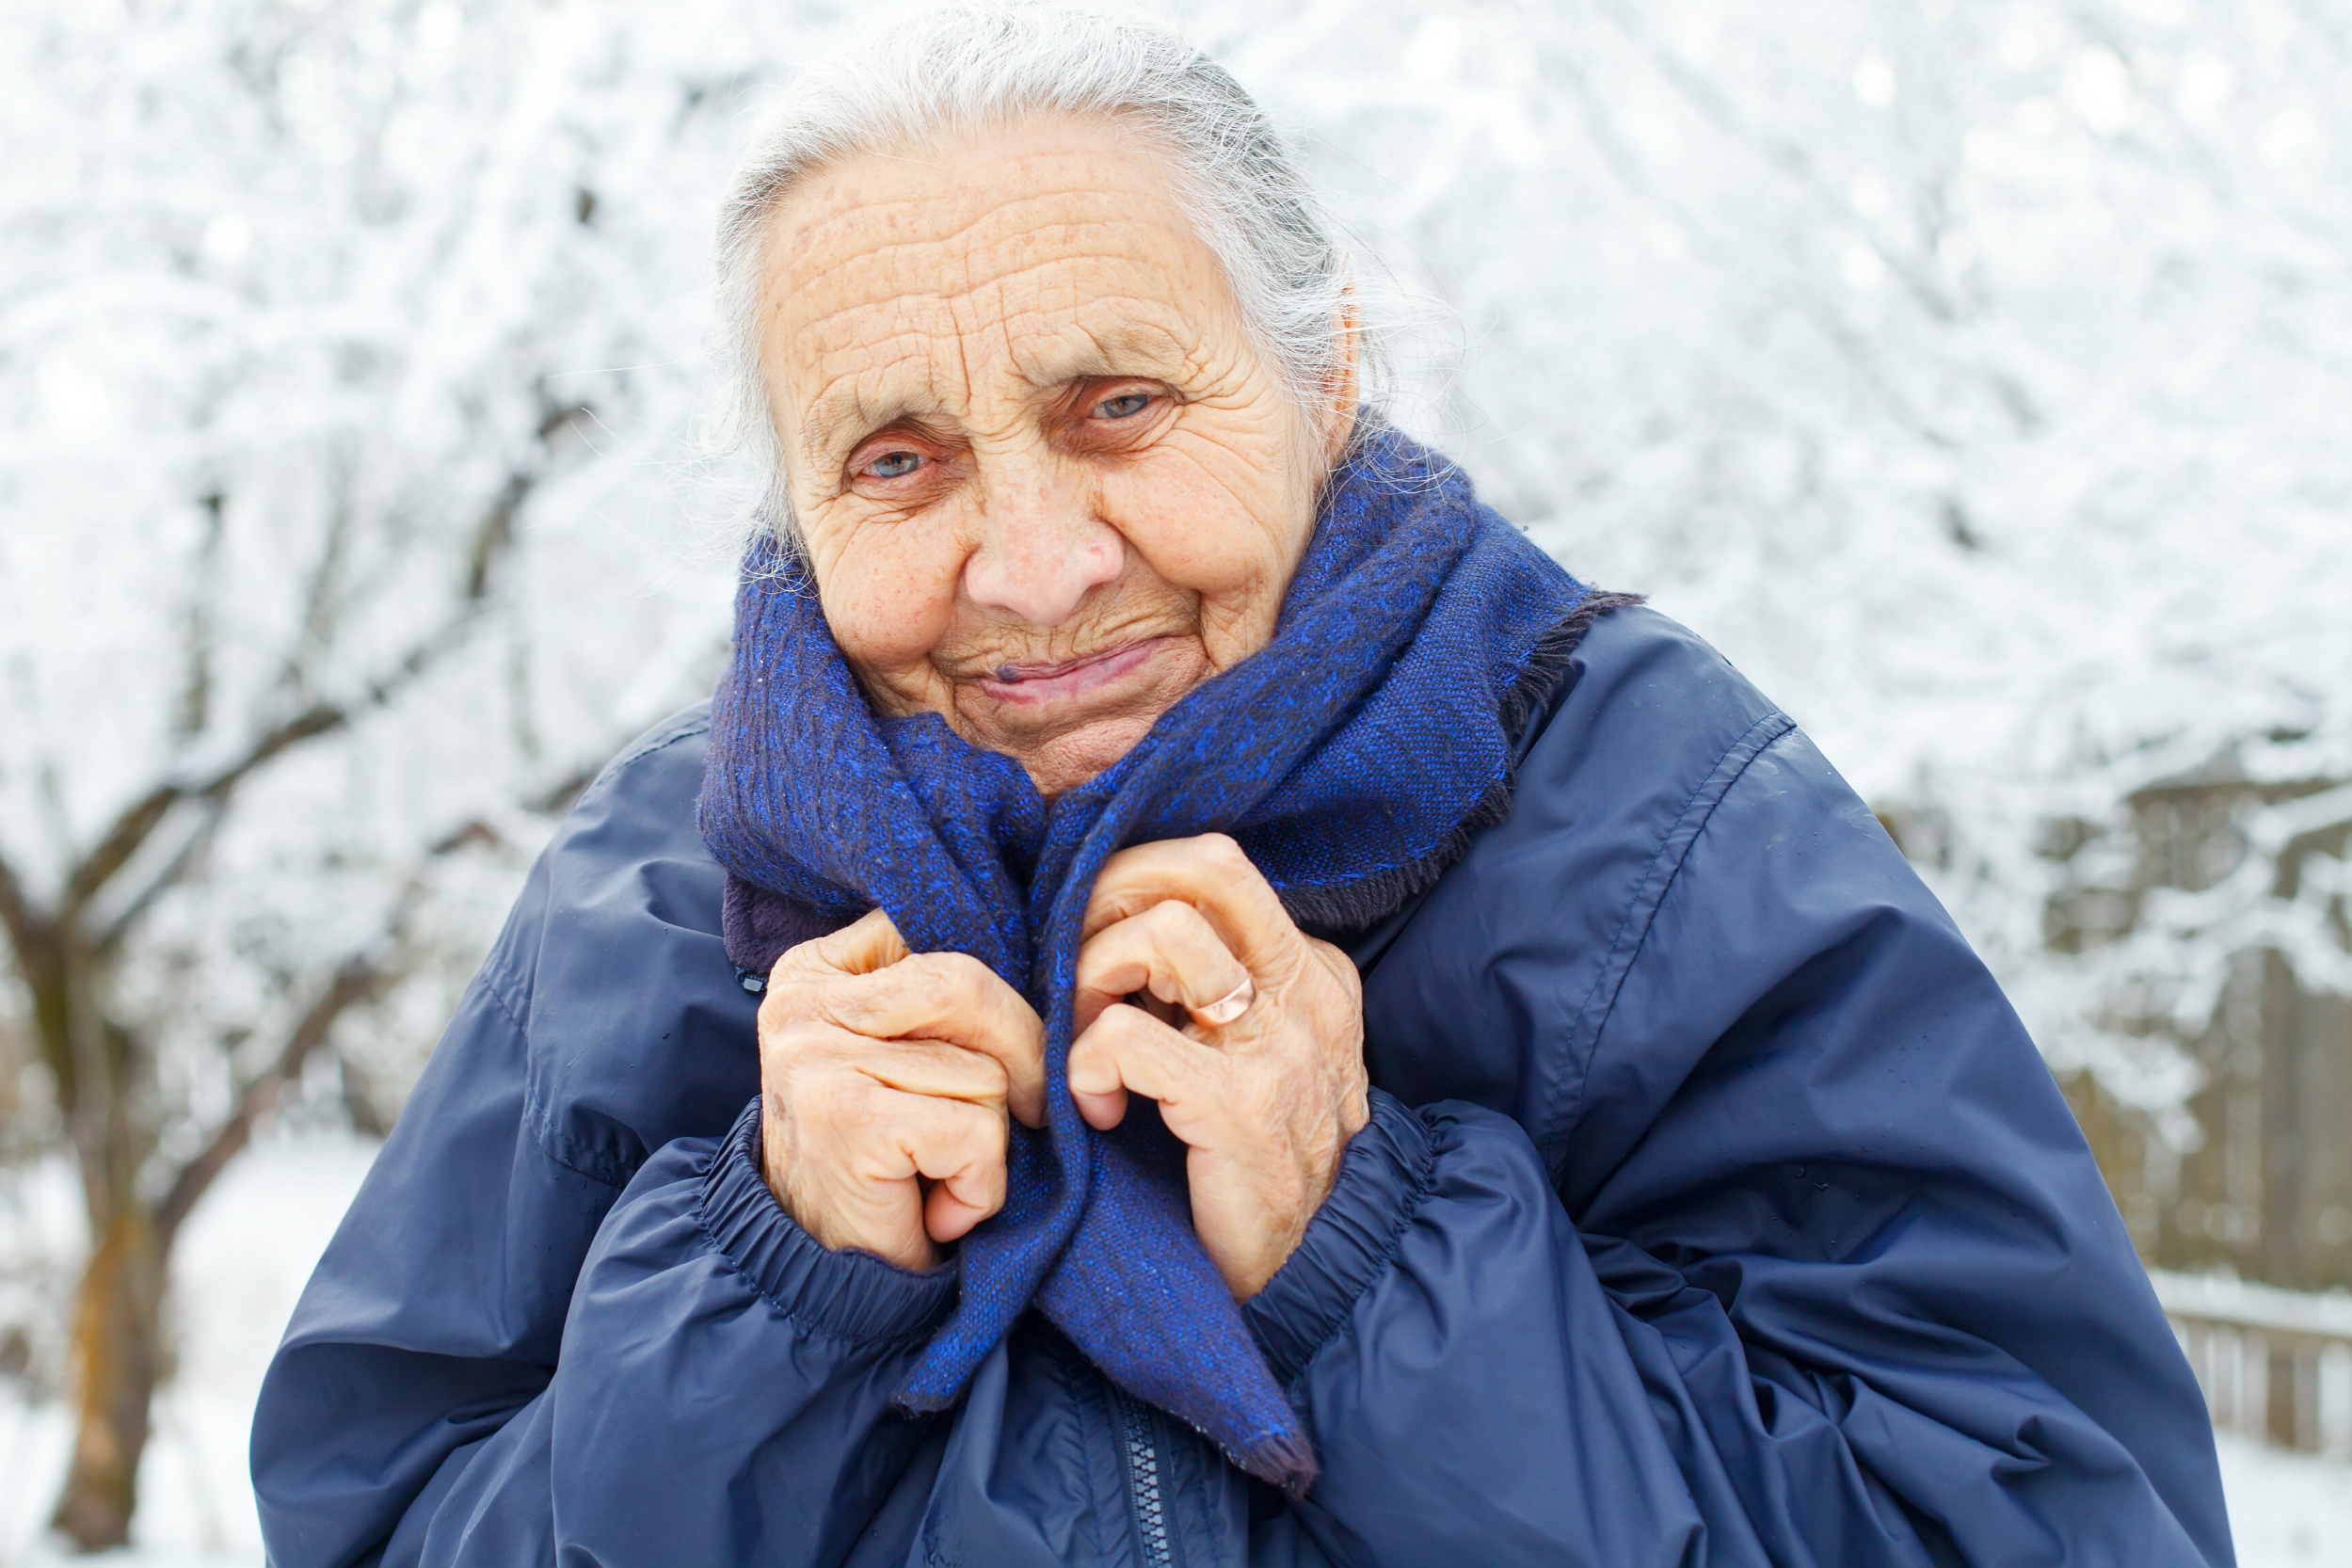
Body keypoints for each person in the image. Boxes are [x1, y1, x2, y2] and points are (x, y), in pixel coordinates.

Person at [251, 7, 2232, 1564]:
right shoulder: (652, 902)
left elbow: (2053, 1517)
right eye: (895, 460)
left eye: (1116, 405)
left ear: (1324, 378)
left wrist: (1372, 1258)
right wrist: (772, 1287)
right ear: (792, 510)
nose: (1030, 563)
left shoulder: (1653, 831)